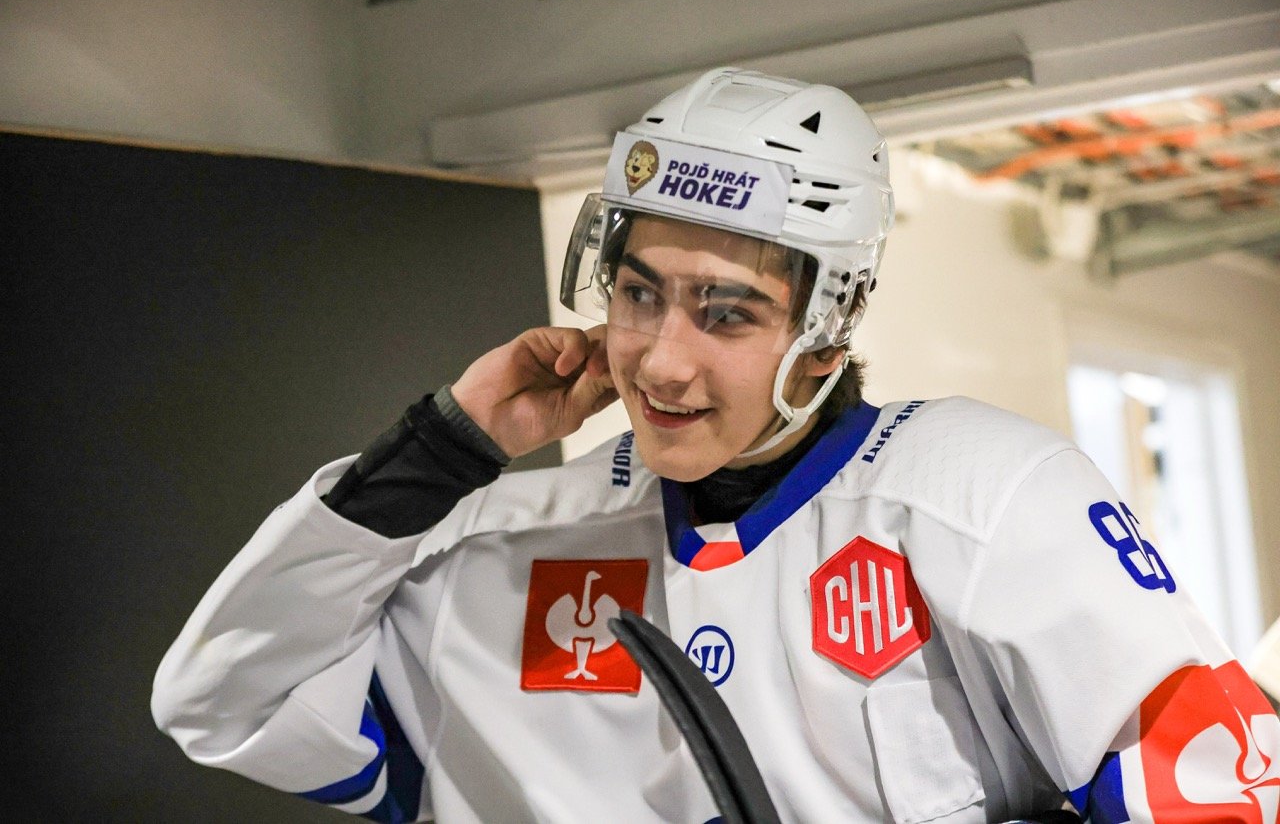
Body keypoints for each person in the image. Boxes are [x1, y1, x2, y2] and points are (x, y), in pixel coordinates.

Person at [152, 68, 1280, 823]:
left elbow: (1222, 789)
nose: (660, 361)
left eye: (726, 312)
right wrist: (439, 450)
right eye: (639, 293)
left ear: (828, 324)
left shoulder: (980, 497)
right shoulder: (509, 538)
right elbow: (226, 698)